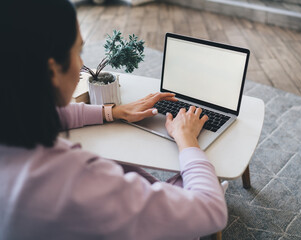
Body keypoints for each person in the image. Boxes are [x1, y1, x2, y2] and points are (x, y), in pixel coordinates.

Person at [0, 1, 227, 239]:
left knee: (125, 166)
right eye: (78, 52)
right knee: (196, 188)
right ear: (52, 71)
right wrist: (186, 139)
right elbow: (211, 210)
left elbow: (56, 116)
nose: (80, 66)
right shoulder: (77, 180)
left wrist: (114, 111)